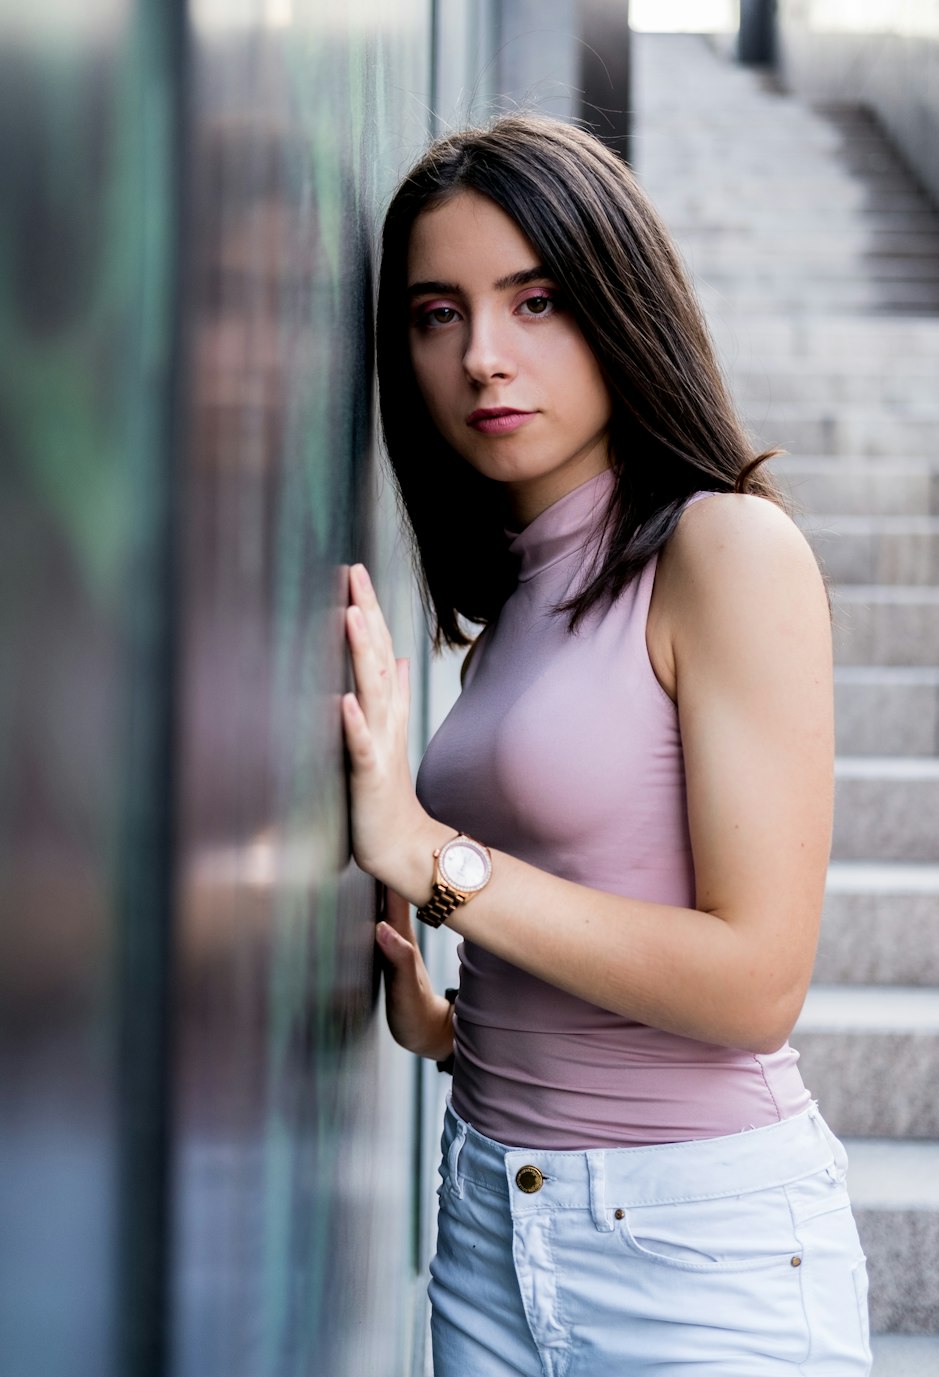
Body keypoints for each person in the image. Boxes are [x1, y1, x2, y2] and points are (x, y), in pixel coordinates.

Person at [340, 114, 872, 1376]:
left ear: (621, 305)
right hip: (483, 1217)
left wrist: (433, 860)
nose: (482, 358)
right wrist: (463, 1029)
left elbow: (753, 983)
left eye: (536, 301)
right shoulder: (515, 602)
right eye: (436, 313)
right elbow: (603, 897)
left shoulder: (723, 550)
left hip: (699, 1250)